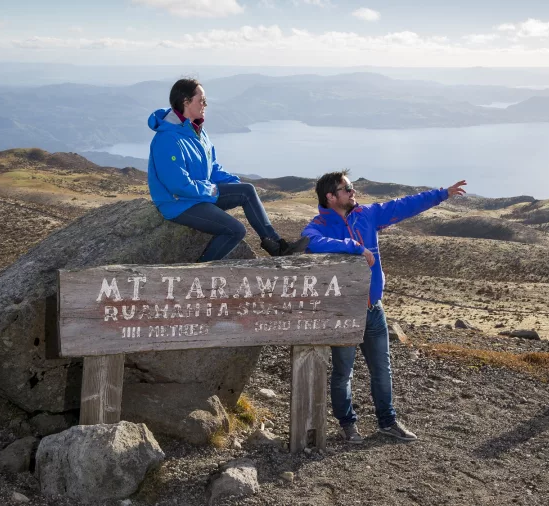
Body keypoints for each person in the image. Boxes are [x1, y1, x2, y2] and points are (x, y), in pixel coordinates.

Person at [302, 170, 467, 443]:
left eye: (351, 187)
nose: (353, 192)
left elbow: (403, 205)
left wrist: (443, 194)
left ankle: (387, 422)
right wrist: (355, 247)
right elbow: (311, 242)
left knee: (382, 368)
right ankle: (348, 425)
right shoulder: (318, 224)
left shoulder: (367, 214)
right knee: (344, 372)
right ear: (331, 197)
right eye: (347, 189)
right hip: (344, 312)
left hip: (373, 308)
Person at [147, 78, 309, 261]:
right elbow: (178, 185)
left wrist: (234, 185)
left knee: (247, 191)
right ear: (186, 102)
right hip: (179, 203)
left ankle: (277, 246)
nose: (205, 105)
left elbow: (213, 167)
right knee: (236, 230)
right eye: (201, 100)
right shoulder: (167, 139)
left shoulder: (197, 131)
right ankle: (199, 271)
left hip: (199, 195)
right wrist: (212, 190)